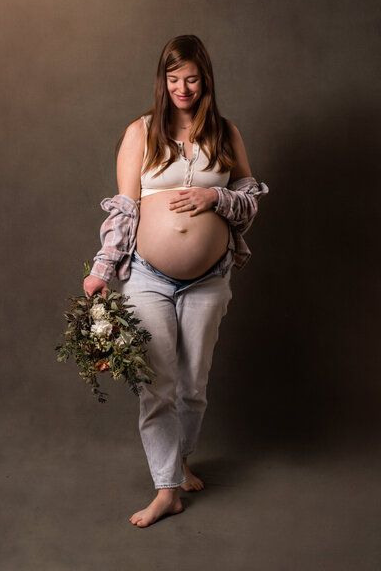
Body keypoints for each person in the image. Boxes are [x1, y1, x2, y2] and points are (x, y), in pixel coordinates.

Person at [83, 34, 269, 528]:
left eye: (190, 78)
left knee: (193, 384)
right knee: (157, 382)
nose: (182, 87)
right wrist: (103, 270)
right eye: (173, 78)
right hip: (148, 275)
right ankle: (166, 489)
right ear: (162, 82)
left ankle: (180, 460)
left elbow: (249, 198)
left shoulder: (225, 133)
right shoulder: (141, 132)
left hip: (211, 276)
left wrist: (216, 200)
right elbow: (125, 208)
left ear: (204, 79)